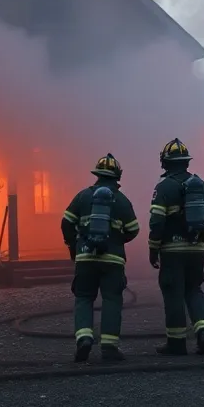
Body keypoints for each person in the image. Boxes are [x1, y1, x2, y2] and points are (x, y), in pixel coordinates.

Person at [60, 153, 140, 362]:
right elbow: (134, 229)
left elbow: (66, 223)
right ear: (117, 177)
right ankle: (109, 347)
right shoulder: (121, 200)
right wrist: (116, 240)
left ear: (97, 175)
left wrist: (73, 245)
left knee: (84, 298)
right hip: (112, 261)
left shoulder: (82, 196)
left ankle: (84, 339)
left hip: (85, 257)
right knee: (112, 299)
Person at [147, 138, 204, 356]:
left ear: (165, 163)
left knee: (173, 294)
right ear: (186, 162)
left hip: (171, 252)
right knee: (194, 290)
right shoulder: (202, 186)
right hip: (197, 250)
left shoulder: (163, 187)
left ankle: (177, 344)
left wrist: (153, 249)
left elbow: (157, 222)